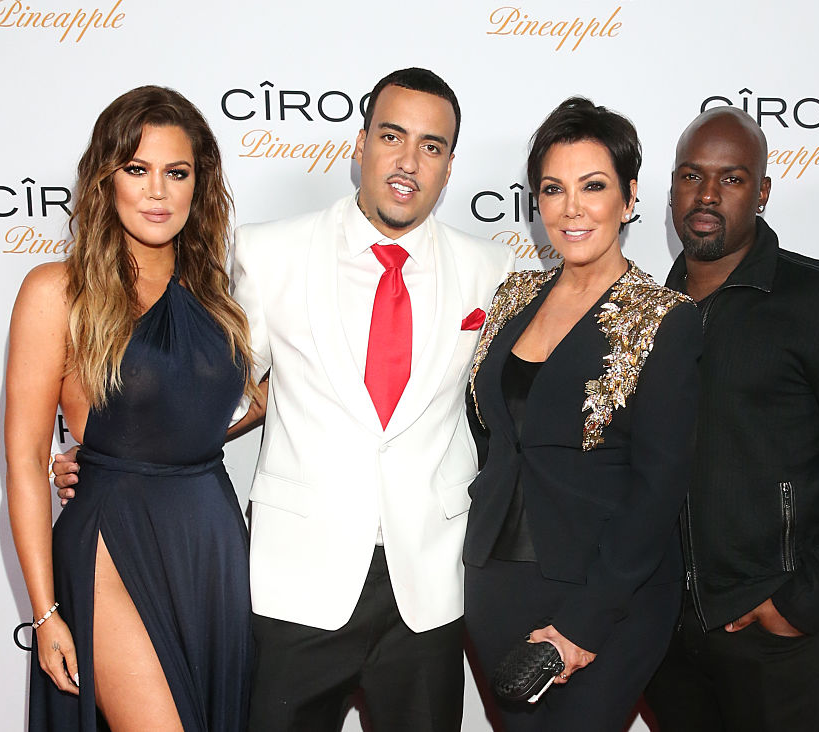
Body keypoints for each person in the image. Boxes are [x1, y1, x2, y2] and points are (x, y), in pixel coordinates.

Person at [56, 67, 513, 731]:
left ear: (448, 166)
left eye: (432, 146)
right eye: (392, 136)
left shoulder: (494, 271)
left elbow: (511, 416)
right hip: (295, 579)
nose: (408, 161)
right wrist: (116, 455)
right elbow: (217, 392)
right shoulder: (270, 253)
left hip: (429, 585)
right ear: (360, 145)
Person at [642, 107, 819, 731]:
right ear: (672, 188)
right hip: (666, 635)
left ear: (762, 192)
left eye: (732, 179)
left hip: (776, 637)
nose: (707, 195)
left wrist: (805, 598)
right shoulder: (650, 311)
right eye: (691, 175)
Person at [6, 86, 256, 731]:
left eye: (177, 172)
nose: (157, 192)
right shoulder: (57, 291)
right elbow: (27, 461)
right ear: (105, 179)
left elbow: (224, 406)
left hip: (210, 538)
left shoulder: (215, 295)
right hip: (111, 542)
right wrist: (45, 613)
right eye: (137, 169)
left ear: (200, 184)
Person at [463, 97, 701, 731]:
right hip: (496, 579)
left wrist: (585, 623)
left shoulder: (662, 318)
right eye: (553, 189)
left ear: (628, 198)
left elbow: (659, 488)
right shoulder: (513, 296)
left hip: (608, 595)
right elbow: (492, 439)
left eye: (593, 186)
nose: (572, 208)